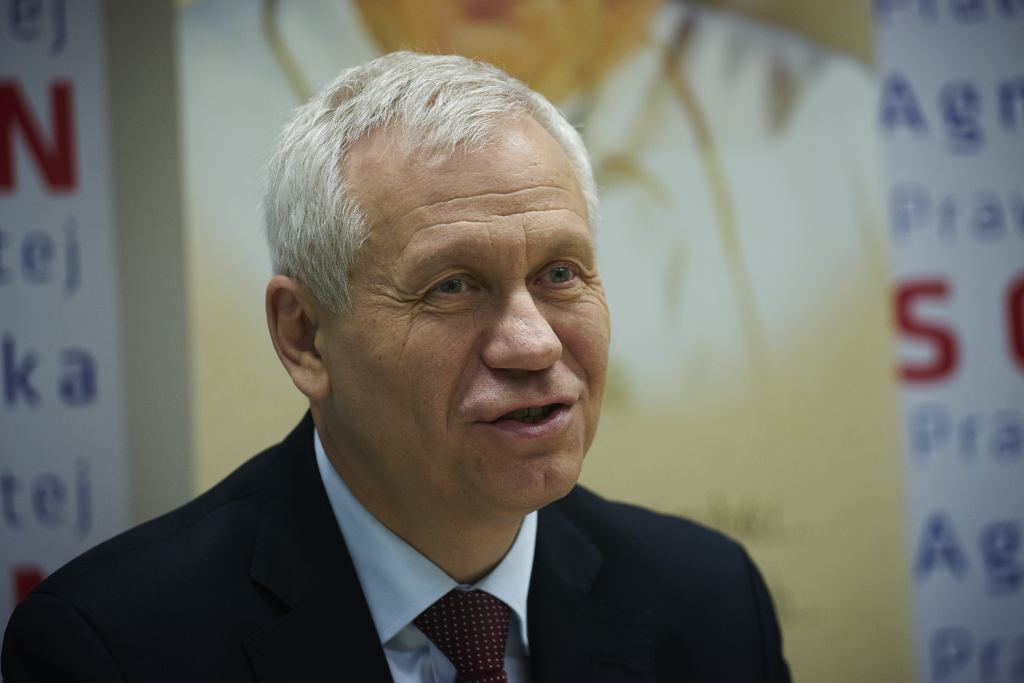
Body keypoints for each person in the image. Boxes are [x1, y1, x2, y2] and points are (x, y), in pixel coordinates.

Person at [2, 52, 790, 682]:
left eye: (560, 273)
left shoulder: (709, 601)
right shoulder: (113, 646)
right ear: (305, 336)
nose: (534, 344)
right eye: (452, 285)